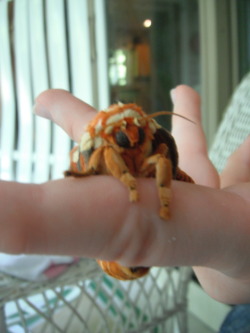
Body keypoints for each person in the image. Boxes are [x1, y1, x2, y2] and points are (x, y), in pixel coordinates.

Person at [0, 85, 249, 305]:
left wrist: (229, 221)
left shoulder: (154, 149)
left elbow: (162, 155)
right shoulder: (101, 151)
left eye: (138, 134)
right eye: (124, 137)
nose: (132, 139)